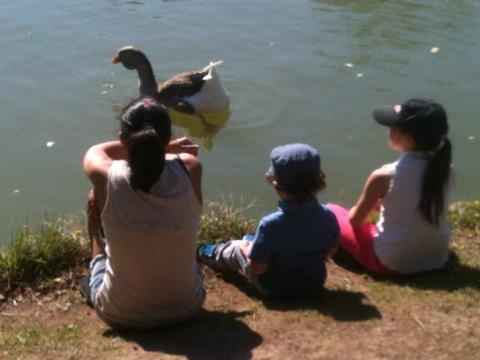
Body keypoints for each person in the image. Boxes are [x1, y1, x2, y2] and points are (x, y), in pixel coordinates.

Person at [82, 97, 205, 329]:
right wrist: (164, 146)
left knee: (94, 198)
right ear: (168, 137)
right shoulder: (191, 168)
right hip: (188, 306)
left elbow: (95, 151)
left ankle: (96, 248)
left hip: (121, 312)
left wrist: (158, 145)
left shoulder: (107, 175)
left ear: (123, 140)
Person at [197, 143, 340, 298]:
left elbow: (257, 268)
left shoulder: (270, 224)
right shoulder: (329, 217)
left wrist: (247, 251)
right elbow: (330, 251)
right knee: (259, 242)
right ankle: (253, 243)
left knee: (237, 247)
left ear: (276, 183)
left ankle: (203, 252)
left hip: (275, 288)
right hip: (314, 283)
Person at [328, 98, 453, 274]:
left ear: (408, 138)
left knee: (331, 211)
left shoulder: (384, 176)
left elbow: (354, 220)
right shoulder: (446, 169)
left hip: (392, 263)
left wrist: (362, 208)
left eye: (393, 126)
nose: (389, 130)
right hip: (437, 257)